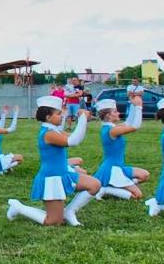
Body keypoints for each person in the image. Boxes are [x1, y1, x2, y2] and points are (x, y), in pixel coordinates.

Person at [7, 96, 100, 227]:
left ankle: (69, 212)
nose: (62, 115)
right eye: (58, 113)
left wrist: (81, 119)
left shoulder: (55, 130)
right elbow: (73, 141)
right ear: (48, 117)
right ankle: (18, 207)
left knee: (94, 185)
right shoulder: (48, 134)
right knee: (54, 222)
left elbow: (76, 136)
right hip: (51, 178)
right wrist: (83, 118)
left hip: (63, 173)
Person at [91, 95, 150, 200]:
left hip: (119, 167)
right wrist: (139, 107)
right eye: (115, 111)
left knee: (145, 175)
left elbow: (128, 123)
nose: (118, 113)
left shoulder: (111, 127)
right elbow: (134, 126)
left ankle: (116, 186)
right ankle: (105, 189)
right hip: (112, 169)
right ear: (108, 115)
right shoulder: (112, 130)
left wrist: (133, 105)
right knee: (137, 195)